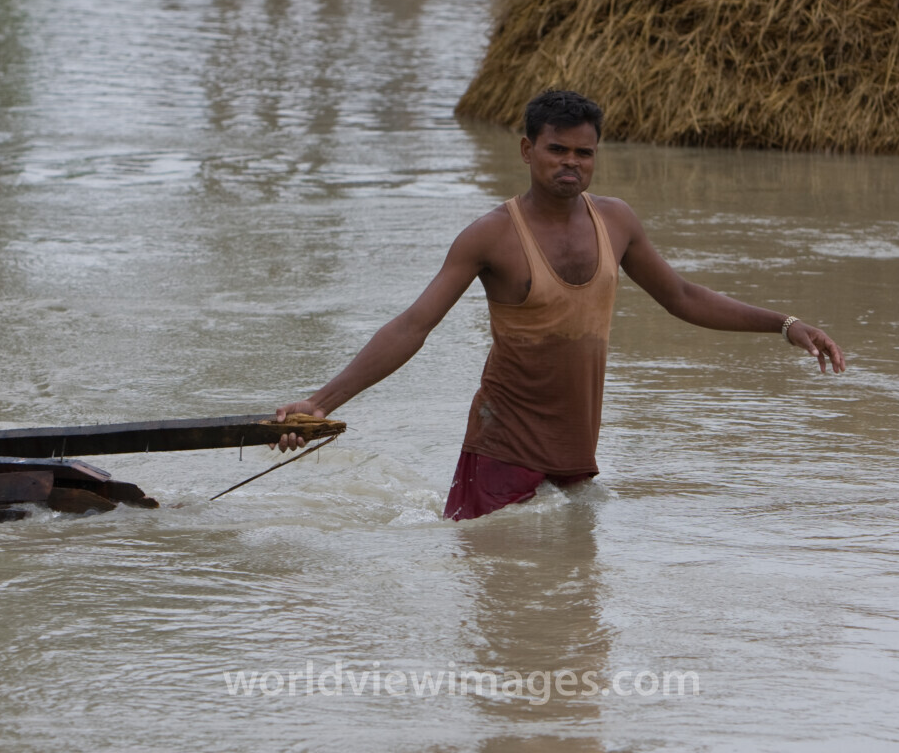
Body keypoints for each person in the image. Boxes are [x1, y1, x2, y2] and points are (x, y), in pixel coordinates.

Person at [277, 90, 845, 520]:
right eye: (557, 150)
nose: (570, 163)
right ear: (528, 151)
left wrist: (785, 324)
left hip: (577, 447)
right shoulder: (491, 236)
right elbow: (414, 325)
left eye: (584, 153)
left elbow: (682, 297)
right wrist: (322, 402)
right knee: (492, 584)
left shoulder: (617, 221)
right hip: (504, 443)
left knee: (570, 606)